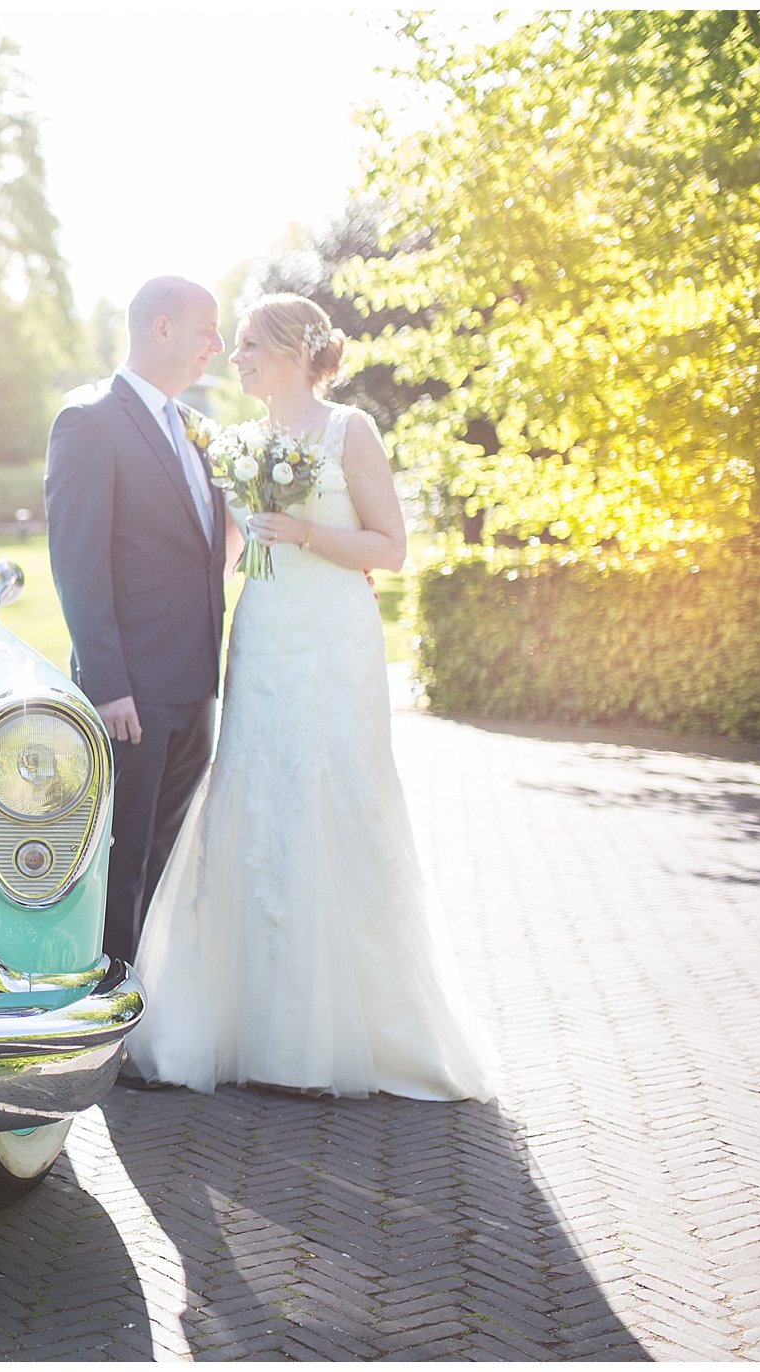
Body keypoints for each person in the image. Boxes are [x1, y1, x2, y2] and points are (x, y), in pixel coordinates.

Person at [124, 292, 498, 1101]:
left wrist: (307, 535)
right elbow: (218, 551)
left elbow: (391, 547)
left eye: (251, 343)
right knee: (251, 799)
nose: (236, 355)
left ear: (295, 348)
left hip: (333, 643)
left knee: (331, 798)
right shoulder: (241, 442)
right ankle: (233, 1029)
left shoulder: (347, 431)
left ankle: (328, 1040)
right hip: (260, 640)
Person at [43, 276, 229, 985]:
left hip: (192, 686)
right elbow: (79, 563)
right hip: (135, 696)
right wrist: (110, 685)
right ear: (160, 327)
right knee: (124, 857)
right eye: (206, 330)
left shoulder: (190, 426)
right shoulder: (89, 423)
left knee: (169, 852)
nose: (216, 345)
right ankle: (113, 1000)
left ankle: (154, 1004)